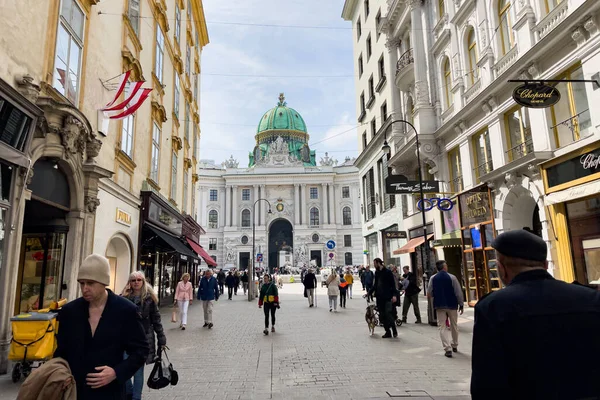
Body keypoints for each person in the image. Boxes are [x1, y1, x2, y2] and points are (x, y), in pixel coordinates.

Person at [471, 230, 600, 399]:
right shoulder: (591, 298)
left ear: (501, 269)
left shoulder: (493, 307)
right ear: (545, 265)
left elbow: (487, 383)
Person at [54, 254, 148, 400]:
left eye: (90, 283)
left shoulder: (125, 310)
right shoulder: (69, 311)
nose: (85, 288)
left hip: (111, 392)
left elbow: (141, 350)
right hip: (75, 391)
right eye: (82, 283)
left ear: (104, 282)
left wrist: (116, 372)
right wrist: (62, 374)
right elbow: (61, 352)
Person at [121, 271, 166, 400]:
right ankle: (129, 392)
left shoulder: (149, 298)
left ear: (143, 282)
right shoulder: (124, 297)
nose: (136, 282)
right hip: (126, 339)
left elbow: (156, 320)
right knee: (124, 368)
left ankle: (136, 397)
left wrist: (161, 338)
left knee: (138, 372)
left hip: (143, 339)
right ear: (129, 282)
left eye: (139, 280)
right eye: (133, 280)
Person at [427, 260, 464, 357]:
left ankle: (447, 348)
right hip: (452, 304)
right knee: (454, 325)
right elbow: (458, 292)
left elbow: (429, 292)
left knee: (442, 326)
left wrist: (432, 301)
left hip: (439, 305)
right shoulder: (452, 277)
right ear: (444, 267)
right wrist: (461, 304)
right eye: (446, 265)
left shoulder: (433, 278)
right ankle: (454, 344)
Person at [369, 258, 398, 338]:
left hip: (388, 297)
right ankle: (387, 332)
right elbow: (375, 285)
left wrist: (394, 295)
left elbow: (393, 285)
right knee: (382, 316)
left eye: (375, 264)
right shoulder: (377, 273)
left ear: (379, 263)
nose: (374, 265)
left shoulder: (388, 272)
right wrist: (369, 292)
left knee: (388, 314)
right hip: (379, 298)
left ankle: (394, 330)